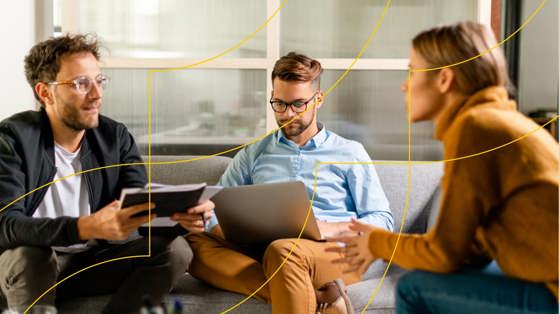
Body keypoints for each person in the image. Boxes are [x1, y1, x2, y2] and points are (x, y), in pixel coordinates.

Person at [329, 21, 559, 314]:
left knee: (414, 288)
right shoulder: (498, 121)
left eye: (412, 71)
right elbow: (468, 251)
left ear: (444, 80)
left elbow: (444, 253)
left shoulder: (476, 128)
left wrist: (376, 241)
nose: (404, 84)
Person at [0, 34, 214, 314]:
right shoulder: (12, 139)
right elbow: (5, 224)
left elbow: (140, 208)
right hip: (25, 269)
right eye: (81, 84)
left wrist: (184, 216)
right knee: (31, 254)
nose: (97, 94)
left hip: (87, 265)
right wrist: (84, 226)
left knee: (176, 249)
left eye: (99, 81)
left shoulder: (115, 137)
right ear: (45, 92)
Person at [186, 52, 394, 314]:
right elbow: (214, 207)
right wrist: (222, 226)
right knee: (193, 244)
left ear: (318, 99)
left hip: (329, 253)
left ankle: (301, 288)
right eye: (279, 104)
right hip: (264, 249)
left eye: (298, 104)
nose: (287, 114)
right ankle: (320, 298)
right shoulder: (254, 154)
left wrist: (330, 228)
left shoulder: (350, 152)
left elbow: (383, 220)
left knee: (284, 251)